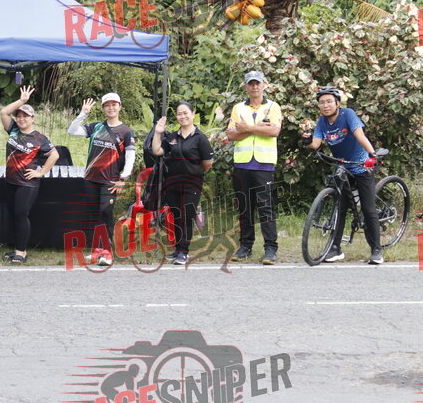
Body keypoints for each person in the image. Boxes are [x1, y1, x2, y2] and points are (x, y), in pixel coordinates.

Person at [302, 86, 384, 264]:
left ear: (337, 103)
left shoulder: (348, 114)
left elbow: (359, 135)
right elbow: (316, 144)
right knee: (340, 208)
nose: (325, 105)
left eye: (329, 102)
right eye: (322, 102)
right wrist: (307, 140)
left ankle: (376, 250)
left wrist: (372, 155)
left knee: (368, 209)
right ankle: (335, 248)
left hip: (361, 166)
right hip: (343, 168)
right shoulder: (322, 121)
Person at [67, 92, 135, 266]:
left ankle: (108, 252)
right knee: (95, 214)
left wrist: (124, 178)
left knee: (105, 212)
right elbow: (72, 131)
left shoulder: (126, 131)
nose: (111, 108)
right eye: (107, 105)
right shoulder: (96, 127)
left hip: (110, 180)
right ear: (103, 108)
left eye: (114, 104)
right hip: (91, 178)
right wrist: (83, 114)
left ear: (119, 107)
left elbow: (130, 156)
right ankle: (97, 250)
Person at [226, 71, 282, 265]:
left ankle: (270, 248)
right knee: (244, 208)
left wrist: (247, 128)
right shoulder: (238, 108)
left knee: (265, 208)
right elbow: (231, 135)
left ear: (264, 84)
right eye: (251, 84)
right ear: (246, 86)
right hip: (242, 164)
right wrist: (259, 128)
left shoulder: (273, 107)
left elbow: (274, 131)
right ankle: (245, 246)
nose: (255, 87)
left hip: (263, 165)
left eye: (258, 83)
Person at [0, 86, 59, 264]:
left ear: (33, 118)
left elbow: (54, 155)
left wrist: (40, 172)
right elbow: (3, 112)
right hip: (10, 181)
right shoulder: (13, 130)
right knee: (13, 215)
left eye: (25, 116)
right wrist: (21, 101)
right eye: (19, 116)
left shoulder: (39, 138)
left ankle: (21, 251)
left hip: (27, 183)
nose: (21, 119)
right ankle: (16, 248)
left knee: (21, 214)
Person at [150, 102, 214, 265]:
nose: (183, 116)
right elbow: (157, 151)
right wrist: (158, 133)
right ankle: (178, 249)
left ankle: (184, 252)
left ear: (193, 114)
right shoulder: (172, 137)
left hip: (192, 184)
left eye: (186, 113)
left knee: (186, 216)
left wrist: (194, 172)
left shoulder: (200, 138)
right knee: (177, 216)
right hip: (172, 183)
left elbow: (207, 163)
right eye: (179, 114)